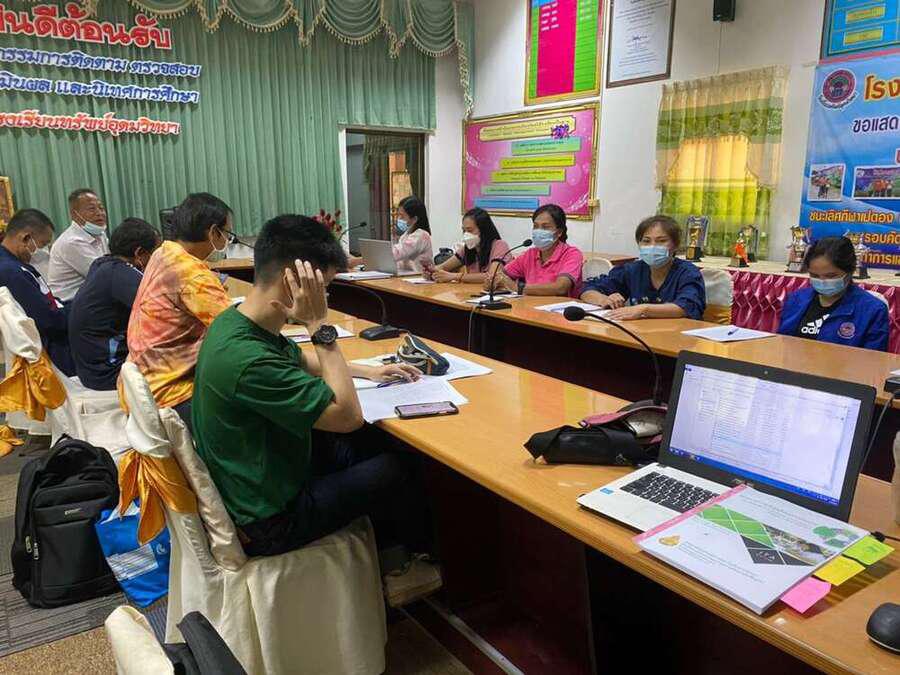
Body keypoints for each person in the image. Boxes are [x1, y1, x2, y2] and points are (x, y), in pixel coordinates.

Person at [192, 214, 438, 599]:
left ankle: (390, 554)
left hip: (261, 473)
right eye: (323, 289)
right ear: (294, 281)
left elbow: (298, 360)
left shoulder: (236, 323)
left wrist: (370, 370)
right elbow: (348, 416)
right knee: (398, 465)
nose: (326, 298)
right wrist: (320, 327)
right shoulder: (247, 360)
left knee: (370, 444)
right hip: (269, 520)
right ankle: (411, 568)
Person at [124, 193, 233, 431]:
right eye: (227, 234)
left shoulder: (163, 253)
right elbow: (239, 332)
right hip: (174, 395)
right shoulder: (191, 273)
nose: (227, 240)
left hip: (145, 386)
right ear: (213, 232)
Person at [68, 218, 161, 390]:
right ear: (139, 253)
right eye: (155, 253)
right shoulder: (121, 275)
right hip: (108, 371)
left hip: (91, 369)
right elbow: (161, 311)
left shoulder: (103, 264)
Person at [580, 215, 706, 321]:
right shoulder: (633, 270)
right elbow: (586, 290)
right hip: (638, 333)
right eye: (646, 241)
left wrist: (643, 309)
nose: (652, 246)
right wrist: (603, 299)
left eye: (661, 241)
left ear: (676, 245)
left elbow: (687, 307)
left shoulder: (687, 272)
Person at [778, 236, 889, 351]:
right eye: (815, 276)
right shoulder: (796, 299)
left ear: (849, 271)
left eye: (830, 276)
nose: (822, 281)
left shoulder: (872, 310)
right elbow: (782, 344)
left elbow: (874, 358)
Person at [0, 209, 75, 375]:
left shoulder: (18, 264)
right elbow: (48, 320)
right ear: (25, 238)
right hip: (49, 351)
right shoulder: (10, 272)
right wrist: (79, 309)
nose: (43, 250)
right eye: (42, 244)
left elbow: (47, 301)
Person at [485, 203, 583, 297]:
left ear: (559, 232)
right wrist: (494, 280)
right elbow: (501, 274)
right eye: (535, 226)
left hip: (559, 307)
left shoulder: (572, 254)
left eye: (545, 227)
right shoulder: (530, 254)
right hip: (530, 305)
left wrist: (517, 288)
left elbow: (560, 287)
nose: (538, 231)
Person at [48, 188, 110, 302]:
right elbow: (104, 275)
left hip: (91, 297)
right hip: (69, 303)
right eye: (92, 209)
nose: (99, 213)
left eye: (101, 208)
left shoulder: (99, 233)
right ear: (74, 215)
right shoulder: (71, 241)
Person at [428, 208, 510, 284]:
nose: (466, 234)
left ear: (484, 230)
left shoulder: (500, 245)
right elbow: (443, 267)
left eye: (470, 230)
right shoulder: (466, 249)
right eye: (464, 231)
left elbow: (492, 276)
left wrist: (454, 276)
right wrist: (431, 272)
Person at [392, 196, 434, 273]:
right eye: (398, 215)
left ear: (414, 219)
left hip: (420, 277)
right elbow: (401, 261)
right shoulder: (406, 235)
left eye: (402, 216)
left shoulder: (421, 235)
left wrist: (381, 255)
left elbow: (399, 252)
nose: (399, 219)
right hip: (408, 276)